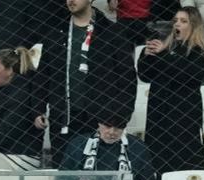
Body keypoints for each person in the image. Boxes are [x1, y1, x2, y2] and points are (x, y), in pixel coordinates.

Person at [35, 0, 137, 165]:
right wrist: (38, 108)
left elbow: (127, 79)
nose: (70, 1)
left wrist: (119, 118)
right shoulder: (56, 31)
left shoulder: (112, 31)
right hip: (63, 117)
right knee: (64, 175)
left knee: (98, 174)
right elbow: (43, 74)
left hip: (102, 120)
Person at [137, 6, 204, 180]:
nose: (177, 24)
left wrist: (163, 54)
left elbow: (185, 74)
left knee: (184, 158)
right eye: (175, 20)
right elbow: (145, 75)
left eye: (183, 21)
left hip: (183, 115)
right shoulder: (166, 47)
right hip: (158, 112)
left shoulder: (198, 51)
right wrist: (146, 55)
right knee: (158, 159)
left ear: (193, 26)